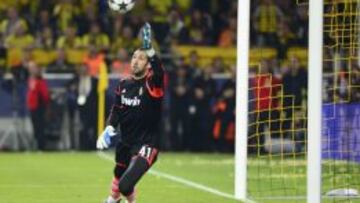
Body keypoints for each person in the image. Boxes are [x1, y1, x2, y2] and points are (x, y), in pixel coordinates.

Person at [97, 23, 165, 203]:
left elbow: (159, 72)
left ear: (148, 65)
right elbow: (117, 110)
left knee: (125, 186)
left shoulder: (152, 84)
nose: (135, 61)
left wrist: (150, 51)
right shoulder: (123, 84)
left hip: (147, 145)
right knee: (119, 172)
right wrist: (109, 127)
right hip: (126, 142)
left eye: (141, 58)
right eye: (134, 57)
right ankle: (113, 200)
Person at [26, 61, 50, 150]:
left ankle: (42, 146)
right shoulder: (30, 79)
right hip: (32, 107)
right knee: (36, 127)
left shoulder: (40, 80)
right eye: (30, 68)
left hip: (39, 107)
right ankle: (38, 146)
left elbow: (45, 95)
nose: (32, 70)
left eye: (33, 68)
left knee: (40, 127)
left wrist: (45, 107)